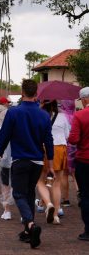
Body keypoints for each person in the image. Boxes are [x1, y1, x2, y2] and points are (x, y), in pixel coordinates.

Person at [0, 79, 54, 249]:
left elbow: (5, 134)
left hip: (20, 159)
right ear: (37, 93)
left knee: (19, 194)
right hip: (37, 160)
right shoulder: (44, 115)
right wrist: (50, 164)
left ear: (22, 92)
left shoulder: (14, 112)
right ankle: (28, 232)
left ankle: (30, 224)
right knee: (29, 193)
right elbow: (48, 141)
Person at [68, 87, 89, 241]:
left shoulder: (80, 115)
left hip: (84, 160)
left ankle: (88, 230)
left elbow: (74, 139)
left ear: (84, 99)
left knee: (86, 195)